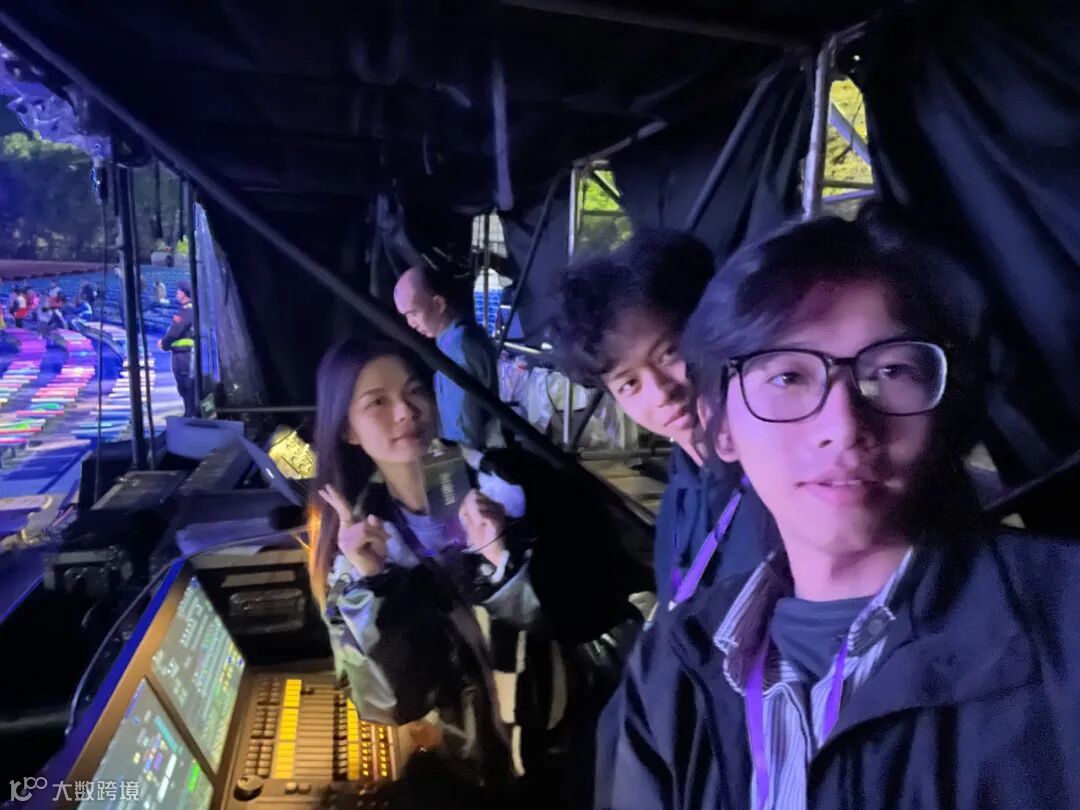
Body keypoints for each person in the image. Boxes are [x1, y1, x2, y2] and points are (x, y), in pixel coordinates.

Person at [599, 210, 1080, 809]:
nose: (844, 426)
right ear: (719, 427)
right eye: (788, 377)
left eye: (891, 370)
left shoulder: (1064, 625)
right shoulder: (673, 667)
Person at [307, 340, 653, 809]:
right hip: (475, 779)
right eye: (378, 403)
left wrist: (503, 560)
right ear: (348, 429)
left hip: (587, 751)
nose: (406, 411)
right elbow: (395, 702)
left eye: (414, 391)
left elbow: (599, 607)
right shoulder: (357, 548)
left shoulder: (516, 483)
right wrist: (376, 582)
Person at [555, 230, 770, 609]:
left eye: (670, 353)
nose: (660, 392)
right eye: (630, 383)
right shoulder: (680, 491)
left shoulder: (785, 473)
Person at [394, 266, 499, 448]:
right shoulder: (456, 340)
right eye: (406, 316)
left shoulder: (456, 350)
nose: (411, 324)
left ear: (438, 305)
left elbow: (462, 435)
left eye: (413, 313)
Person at [158, 279, 197, 417]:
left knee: (185, 384)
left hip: (183, 355)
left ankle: (190, 413)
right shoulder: (189, 310)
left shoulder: (187, 311)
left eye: (179, 290)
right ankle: (189, 412)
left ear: (184, 293)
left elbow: (175, 332)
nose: (177, 292)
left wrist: (164, 344)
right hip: (183, 353)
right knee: (185, 385)